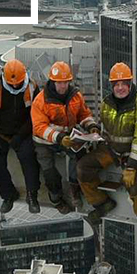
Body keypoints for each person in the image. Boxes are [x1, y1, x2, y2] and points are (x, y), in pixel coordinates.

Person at [77, 62, 137, 229]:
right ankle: (102, 203)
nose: (120, 88)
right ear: (112, 85)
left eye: (123, 84)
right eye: (116, 84)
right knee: (83, 167)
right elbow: (108, 132)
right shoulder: (107, 103)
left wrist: (131, 166)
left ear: (129, 84)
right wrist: (95, 134)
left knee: (132, 182)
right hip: (114, 150)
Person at [31, 61, 99, 213]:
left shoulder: (75, 96)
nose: (62, 86)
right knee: (50, 172)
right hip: (44, 142)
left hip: (67, 137)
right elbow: (39, 127)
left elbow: (83, 114)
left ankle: (74, 189)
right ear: (52, 82)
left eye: (65, 82)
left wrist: (91, 126)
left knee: (80, 157)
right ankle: (56, 199)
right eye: (59, 83)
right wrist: (59, 137)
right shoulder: (41, 101)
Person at [0, 58, 40, 213]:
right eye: (11, 83)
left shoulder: (32, 87)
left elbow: (35, 114)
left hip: (23, 133)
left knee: (29, 160)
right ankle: (8, 195)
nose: (14, 86)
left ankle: (32, 195)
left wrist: (20, 136)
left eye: (17, 83)